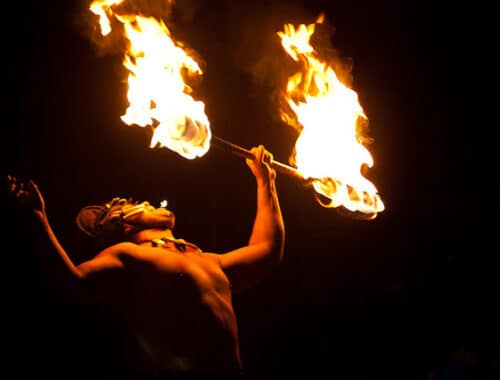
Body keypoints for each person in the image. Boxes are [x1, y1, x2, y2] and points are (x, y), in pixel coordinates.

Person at [7, 145, 285, 379]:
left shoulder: (208, 261)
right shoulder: (131, 255)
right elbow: (73, 283)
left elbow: (267, 249)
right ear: (120, 222)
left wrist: (266, 182)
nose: (147, 203)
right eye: (129, 204)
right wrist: (39, 220)